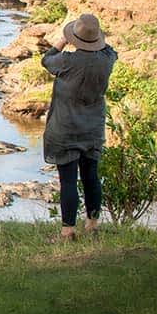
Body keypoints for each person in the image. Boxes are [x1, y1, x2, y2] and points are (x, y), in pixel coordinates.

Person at [42, 13, 117, 243]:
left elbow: (47, 59)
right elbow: (112, 50)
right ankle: (92, 224)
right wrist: (96, 42)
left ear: (75, 38)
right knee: (91, 177)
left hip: (65, 127)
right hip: (93, 127)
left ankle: (67, 231)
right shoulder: (106, 60)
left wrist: (64, 41)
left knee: (68, 180)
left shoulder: (67, 61)